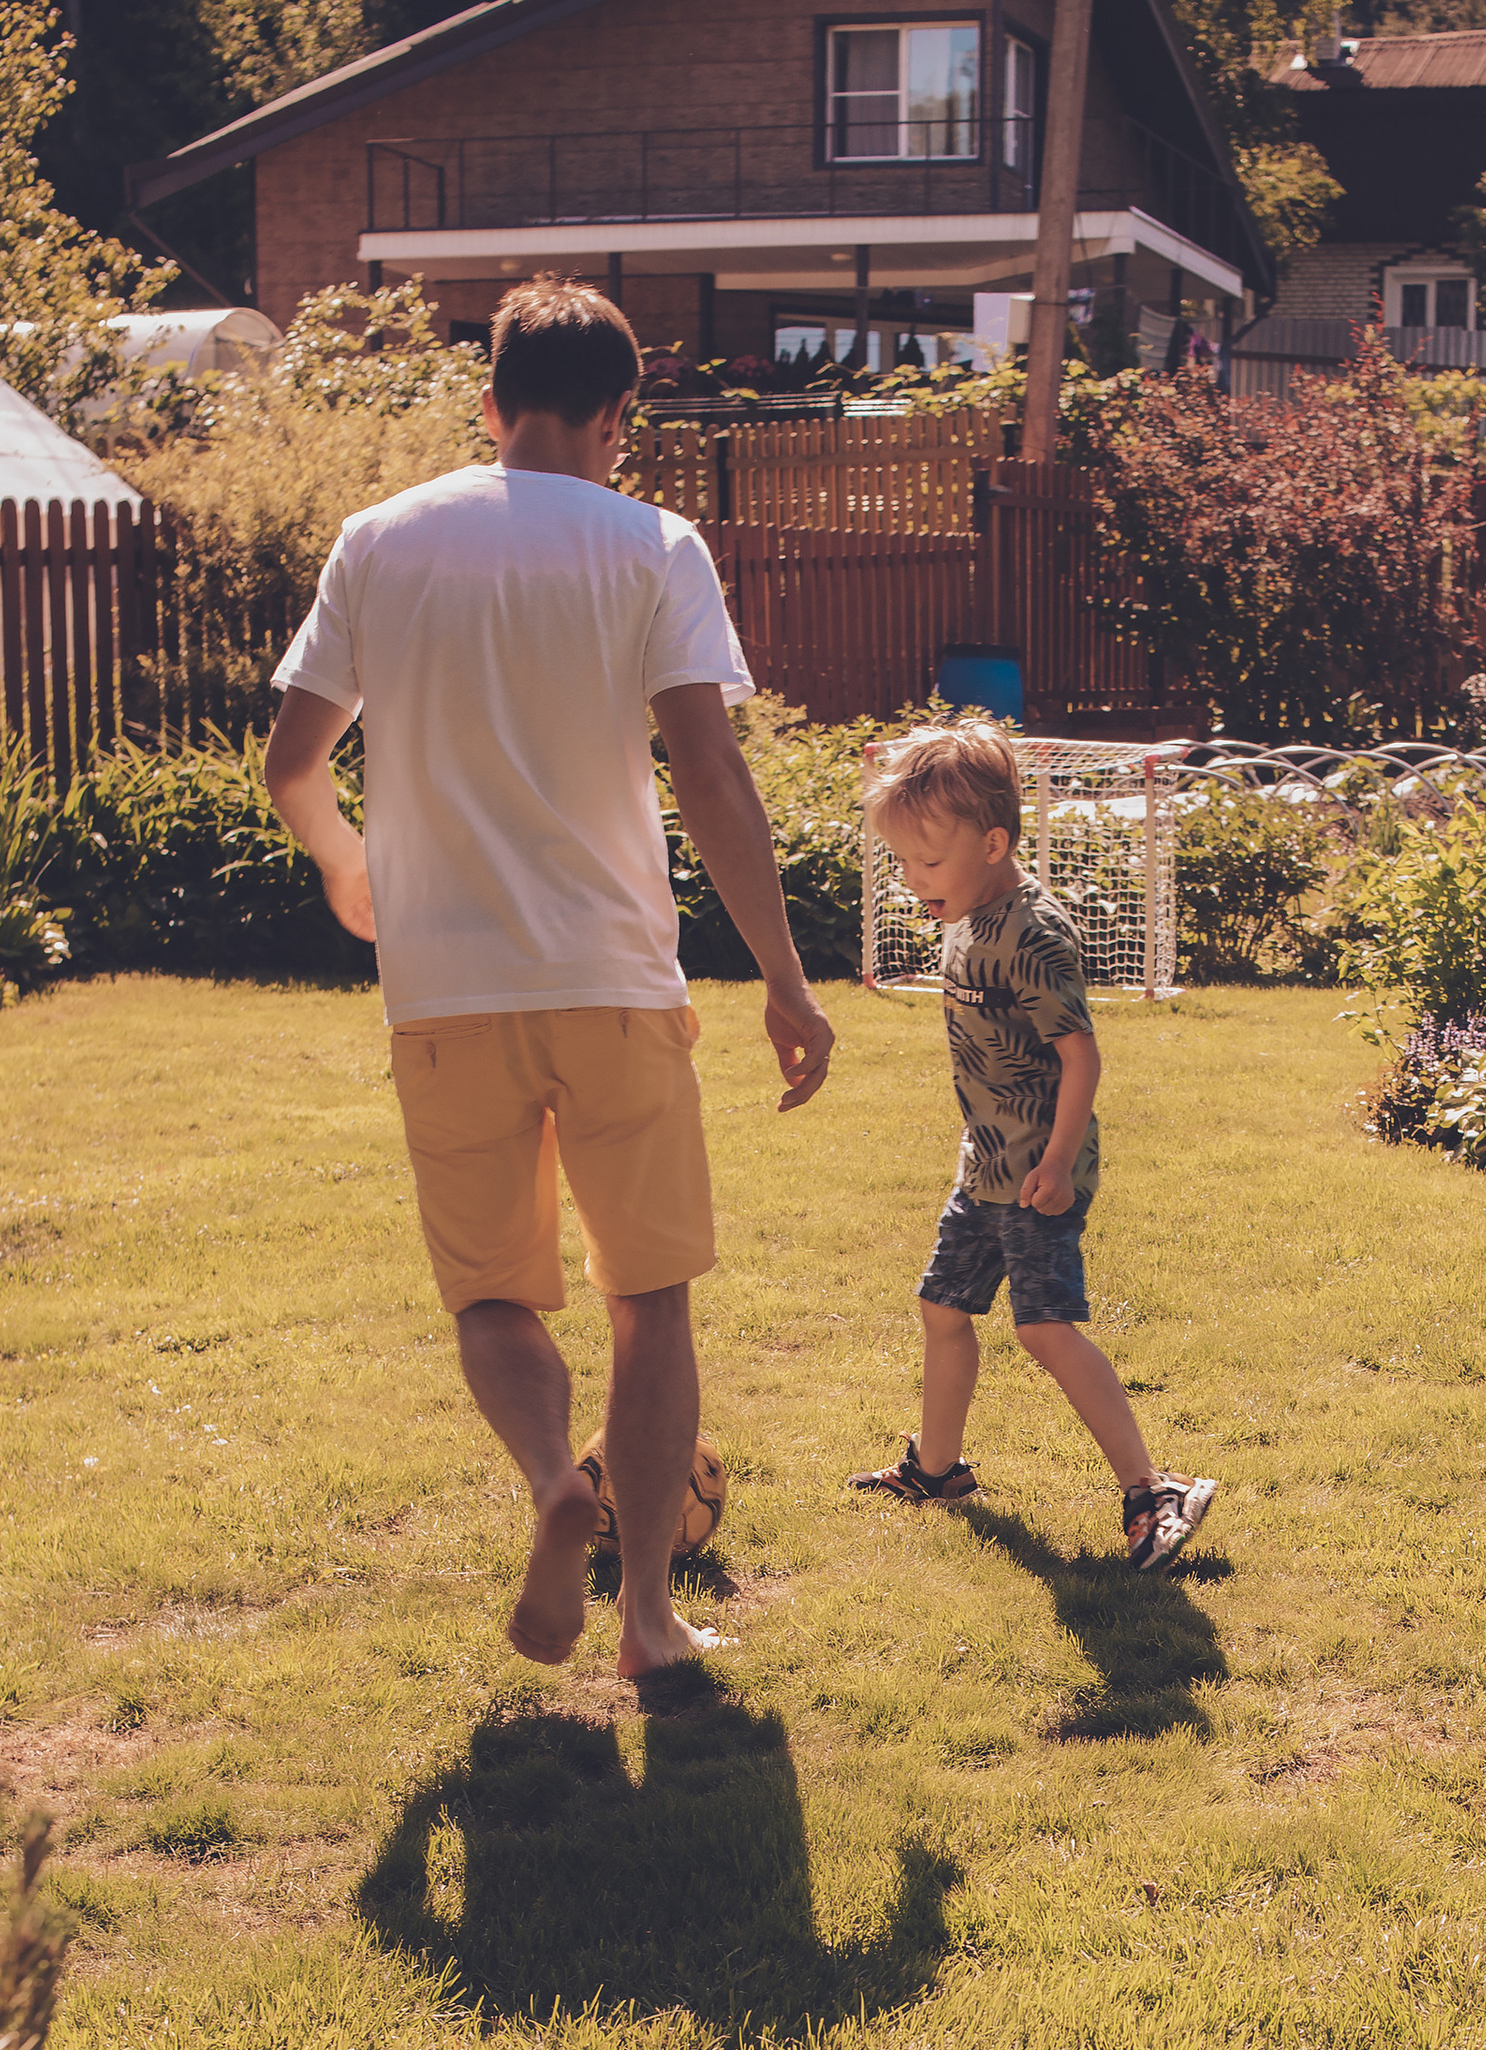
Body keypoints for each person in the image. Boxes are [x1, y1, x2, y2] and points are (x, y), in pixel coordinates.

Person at [263, 277, 835, 1684]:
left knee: (491, 1296)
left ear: (489, 403)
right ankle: (645, 1616)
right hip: (612, 975)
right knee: (652, 1296)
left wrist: (349, 866)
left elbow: (291, 762)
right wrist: (783, 975)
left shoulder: (380, 541)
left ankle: (547, 1484)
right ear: (618, 417)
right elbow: (707, 769)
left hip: (442, 989)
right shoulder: (654, 544)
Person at [849, 718, 1214, 1571]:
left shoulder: (1031, 933)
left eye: (927, 863)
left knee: (1046, 1330)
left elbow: (1081, 1055)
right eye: (901, 862)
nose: (913, 880)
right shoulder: (971, 910)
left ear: (994, 842)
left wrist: (1055, 1162)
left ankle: (1151, 1490)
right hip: (987, 1167)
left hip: (1038, 1175)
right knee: (944, 1307)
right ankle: (936, 1471)